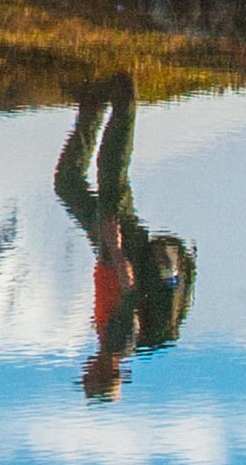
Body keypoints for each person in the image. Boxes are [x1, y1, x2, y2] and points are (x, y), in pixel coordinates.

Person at [53, 73, 196, 401]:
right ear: (101, 373)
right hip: (119, 247)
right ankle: (123, 99)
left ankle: (91, 106)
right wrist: (116, 247)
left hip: (107, 250)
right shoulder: (119, 342)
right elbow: (129, 291)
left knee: (69, 185)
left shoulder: (111, 343)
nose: (85, 371)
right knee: (111, 173)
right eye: (89, 377)